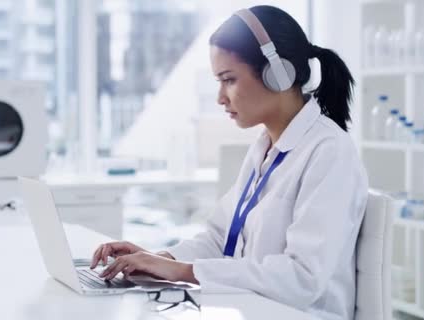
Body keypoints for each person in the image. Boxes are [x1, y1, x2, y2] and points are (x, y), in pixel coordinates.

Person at [90, 5, 368, 320]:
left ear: (278, 75)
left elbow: (301, 279)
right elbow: (220, 238)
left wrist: (182, 271)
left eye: (229, 80)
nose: (220, 97)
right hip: (253, 311)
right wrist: (156, 259)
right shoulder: (264, 148)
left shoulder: (329, 152)